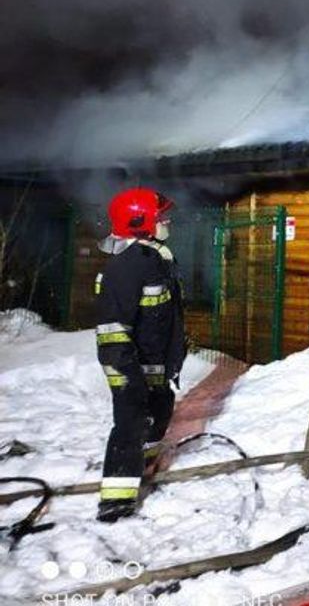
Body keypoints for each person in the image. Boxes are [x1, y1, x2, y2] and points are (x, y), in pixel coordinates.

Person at [94, 187, 185, 522]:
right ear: (139, 222)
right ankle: (115, 502)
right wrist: (127, 375)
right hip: (131, 367)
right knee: (130, 424)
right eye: (161, 217)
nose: (167, 221)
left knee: (158, 414)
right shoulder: (128, 266)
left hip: (154, 367)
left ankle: (144, 468)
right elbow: (112, 330)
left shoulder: (152, 258)